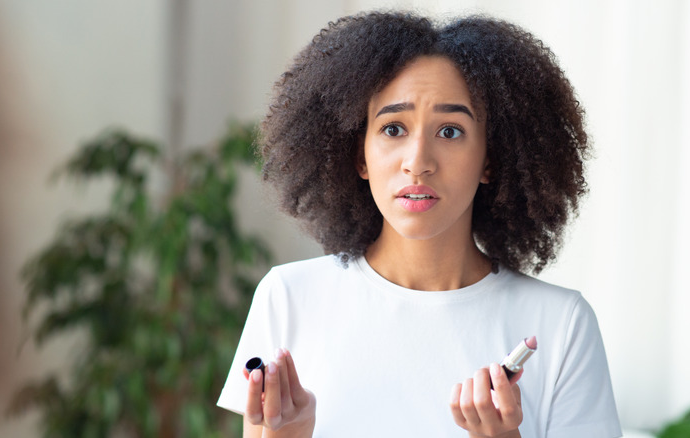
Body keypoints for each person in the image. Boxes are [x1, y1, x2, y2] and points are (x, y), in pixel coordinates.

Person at [217, 11, 621, 438]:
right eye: (393, 129)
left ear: (491, 159)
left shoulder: (562, 323)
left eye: (449, 131)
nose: (418, 162)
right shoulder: (288, 297)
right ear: (359, 157)